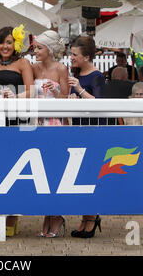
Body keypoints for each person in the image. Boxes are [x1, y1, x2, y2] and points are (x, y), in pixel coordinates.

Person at [0, 25, 34, 237]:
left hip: (16, 118)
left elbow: (31, 90)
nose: (5, 46)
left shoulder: (23, 63)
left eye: (9, 42)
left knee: (15, 166)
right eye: (1, 42)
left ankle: (12, 216)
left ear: (15, 44)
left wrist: (15, 97)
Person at [31, 30, 68, 238]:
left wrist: (53, 92)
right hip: (38, 122)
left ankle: (56, 214)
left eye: (39, 48)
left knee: (55, 169)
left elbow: (65, 96)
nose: (35, 51)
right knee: (41, 171)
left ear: (50, 49)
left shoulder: (61, 68)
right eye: (35, 47)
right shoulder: (34, 68)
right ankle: (47, 213)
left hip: (55, 122)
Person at [67, 36, 104, 239]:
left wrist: (79, 90)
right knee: (81, 174)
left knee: (91, 173)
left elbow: (99, 102)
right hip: (78, 129)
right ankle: (85, 217)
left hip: (93, 130)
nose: (71, 58)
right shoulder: (77, 74)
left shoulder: (97, 76)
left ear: (86, 56)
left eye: (74, 55)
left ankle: (91, 217)